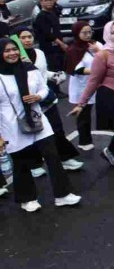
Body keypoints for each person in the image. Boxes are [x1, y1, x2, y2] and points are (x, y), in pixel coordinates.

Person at [0, 38, 81, 213]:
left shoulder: (30, 69)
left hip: (38, 120)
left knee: (52, 155)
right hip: (12, 127)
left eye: (14, 49)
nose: (12, 53)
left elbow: (45, 88)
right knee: (22, 163)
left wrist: (38, 97)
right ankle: (27, 199)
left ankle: (63, 195)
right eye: (6, 51)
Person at [11, 26, 83, 176]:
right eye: (23, 37)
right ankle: (34, 164)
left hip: (46, 99)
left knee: (57, 130)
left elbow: (42, 73)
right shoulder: (13, 59)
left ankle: (65, 158)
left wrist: (54, 76)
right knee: (31, 133)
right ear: (17, 40)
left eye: (29, 37)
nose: (27, 40)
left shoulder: (39, 53)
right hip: (28, 103)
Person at [70, 22, 114, 168]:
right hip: (112, 97)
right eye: (113, 32)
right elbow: (94, 80)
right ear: (107, 35)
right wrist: (81, 104)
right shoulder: (103, 54)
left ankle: (110, 150)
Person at [65, 21, 99, 151]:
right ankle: (84, 141)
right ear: (76, 33)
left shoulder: (93, 45)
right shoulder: (73, 50)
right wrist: (97, 71)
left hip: (94, 84)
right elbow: (77, 69)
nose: (88, 35)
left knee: (90, 112)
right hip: (81, 87)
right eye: (84, 32)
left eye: (90, 32)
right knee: (83, 115)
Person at [33, 0, 68, 73]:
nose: (49, 2)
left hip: (58, 50)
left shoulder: (52, 12)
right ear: (41, 2)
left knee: (62, 70)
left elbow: (60, 9)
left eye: (50, 0)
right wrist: (61, 44)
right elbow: (47, 34)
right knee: (55, 72)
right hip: (50, 50)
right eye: (46, 0)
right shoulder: (41, 16)